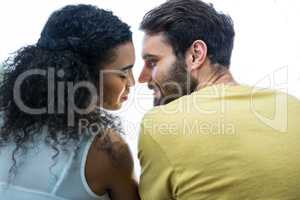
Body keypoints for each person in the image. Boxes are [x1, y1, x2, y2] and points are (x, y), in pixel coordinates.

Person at [137, 0, 300, 199]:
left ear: (196, 55)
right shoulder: (292, 107)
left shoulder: (160, 124)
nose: (142, 78)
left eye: (152, 62)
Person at [0, 4, 140, 200]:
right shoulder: (107, 150)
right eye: (123, 72)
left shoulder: (4, 124)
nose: (132, 82)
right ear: (84, 76)